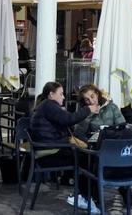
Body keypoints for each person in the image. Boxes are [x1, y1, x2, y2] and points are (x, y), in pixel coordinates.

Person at [30, 81, 97, 213]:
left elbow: (65, 122)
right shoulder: (49, 105)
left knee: (84, 155)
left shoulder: (45, 106)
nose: (63, 97)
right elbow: (69, 120)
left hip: (46, 150)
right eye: (60, 94)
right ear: (51, 94)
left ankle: (85, 196)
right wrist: (88, 109)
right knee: (87, 157)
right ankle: (86, 197)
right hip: (48, 154)